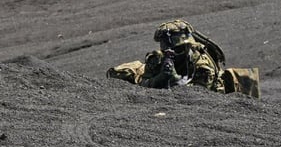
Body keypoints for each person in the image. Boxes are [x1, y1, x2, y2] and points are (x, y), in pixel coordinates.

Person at [106, 19, 260, 97]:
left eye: (178, 49)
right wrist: (159, 79)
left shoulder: (201, 64)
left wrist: (173, 80)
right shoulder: (161, 59)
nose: (173, 52)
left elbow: (198, 94)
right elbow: (142, 81)